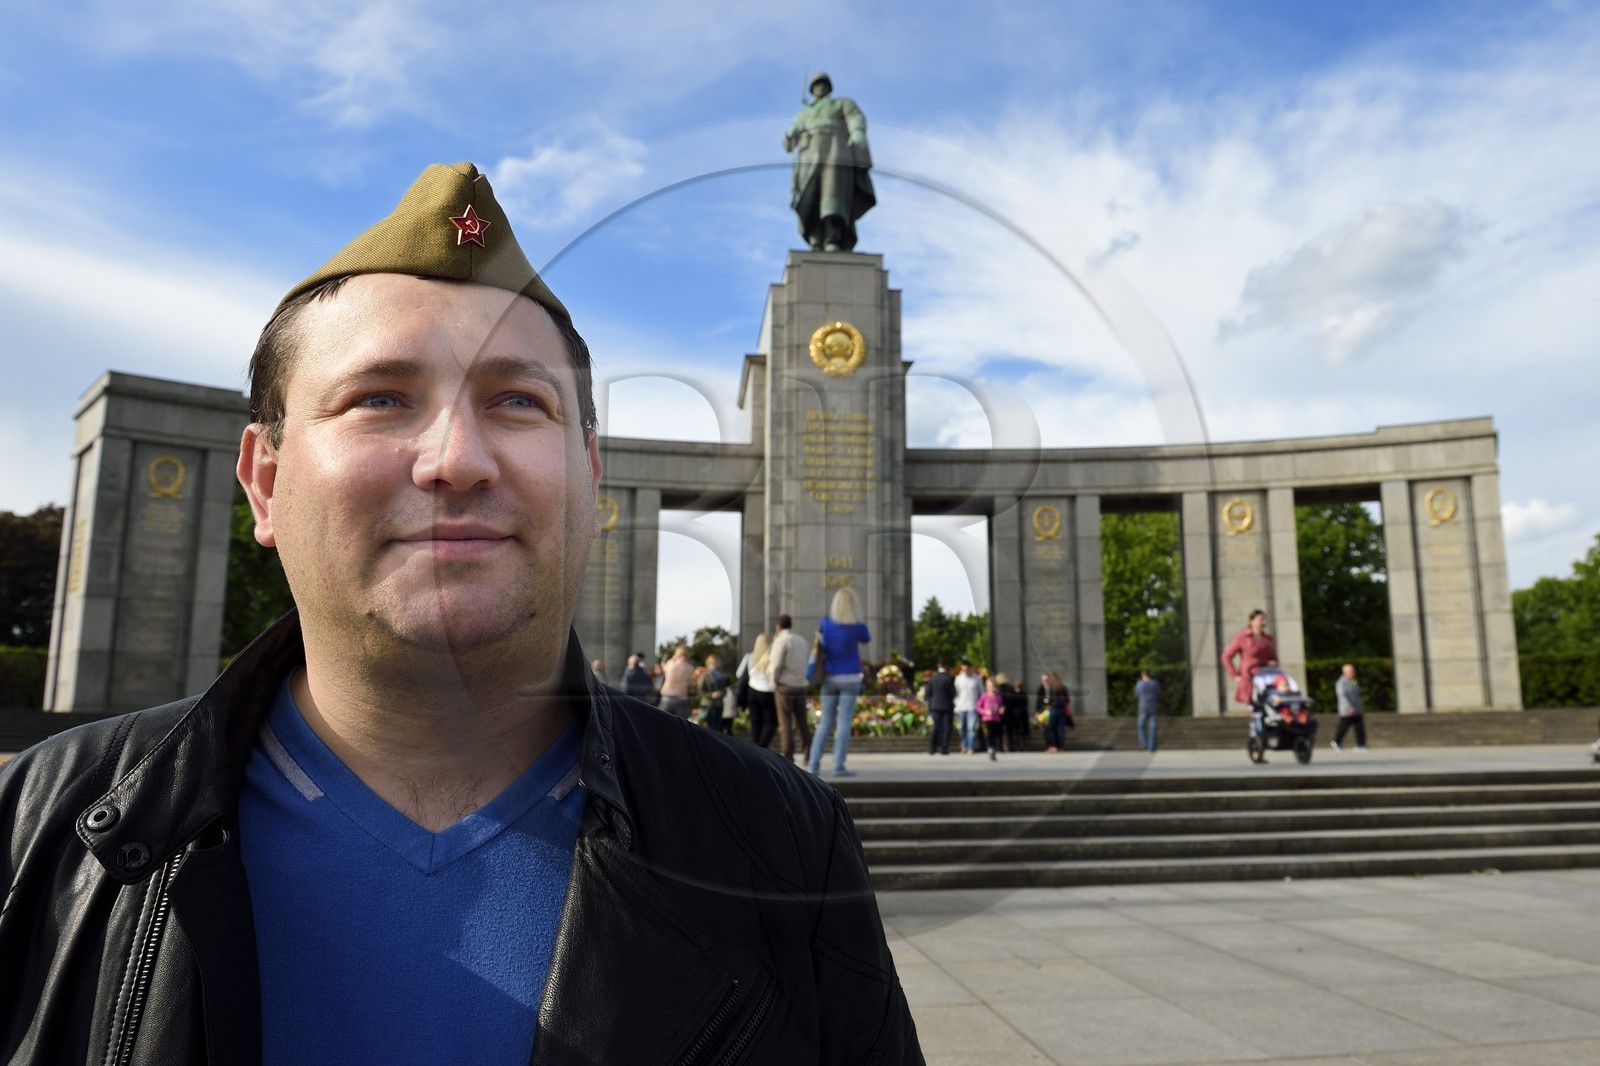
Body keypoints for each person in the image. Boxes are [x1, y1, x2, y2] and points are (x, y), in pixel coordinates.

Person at [0, 162, 921, 1065]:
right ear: (266, 481)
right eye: (380, 398)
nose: (456, 459)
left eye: (518, 401)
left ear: (591, 480)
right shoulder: (34, 829)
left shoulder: (783, 842)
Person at [783, 72, 876, 252]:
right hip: (808, 155)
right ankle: (815, 239)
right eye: (816, 84)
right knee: (811, 198)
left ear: (829, 87)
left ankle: (833, 238)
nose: (820, 86)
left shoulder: (841, 103)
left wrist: (856, 131)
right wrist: (790, 133)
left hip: (835, 150)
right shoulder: (804, 113)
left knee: (834, 197)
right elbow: (788, 143)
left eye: (823, 83)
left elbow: (855, 116)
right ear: (811, 89)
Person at [808, 586, 871, 777]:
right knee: (843, 723)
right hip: (850, 678)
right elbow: (867, 638)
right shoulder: (856, 627)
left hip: (829, 677)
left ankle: (813, 766)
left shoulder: (825, 624)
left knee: (825, 722)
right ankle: (838, 766)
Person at [768, 612, 814, 763]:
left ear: (778, 626)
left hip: (785, 686)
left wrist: (773, 681)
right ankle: (808, 752)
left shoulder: (781, 640)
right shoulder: (801, 640)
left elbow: (775, 664)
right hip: (801, 685)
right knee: (802, 721)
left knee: (785, 722)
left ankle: (788, 756)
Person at [1221, 608, 1278, 715]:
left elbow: (1274, 657)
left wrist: (1273, 662)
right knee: (1254, 708)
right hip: (1250, 678)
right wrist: (1235, 676)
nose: (1264, 622)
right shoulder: (1242, 637)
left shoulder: (1268, 639)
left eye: (1265, 620)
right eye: (1261, 619)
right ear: (1251, 621)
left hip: (1267, 677)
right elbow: (1226, 656)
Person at [736, 633, 778, 748]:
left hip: (752, 691)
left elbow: (739, 673)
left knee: (756, 721)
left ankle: (756, 748)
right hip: (768, 692)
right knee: (770, 722)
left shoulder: (749, 656)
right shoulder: (772, 657)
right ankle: (762, 746)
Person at [1332, 662, 1368, 750]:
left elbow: (1357, 694)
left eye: (1353, 671)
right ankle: (1337, 742)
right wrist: (1350, 707)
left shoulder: (1353, 681)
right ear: (1345, 672)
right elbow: (1342, 696)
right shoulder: (1341, 682)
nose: (1353, 672)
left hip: (1356, 708)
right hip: (1347, 709)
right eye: (1351, 671)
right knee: (1343, 727)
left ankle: (1361, 744)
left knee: (1359, 727)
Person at [924, 661, 956, 755]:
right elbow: (953, 693)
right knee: (947, 727)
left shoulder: (933, 678)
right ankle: (944, 747)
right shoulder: (949, 678)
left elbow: (928, 692)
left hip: (935, 706)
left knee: (936, 727)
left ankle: (932, 747)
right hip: (947, 706)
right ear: (946, 666)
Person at [658, 643, 695, 720]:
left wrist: (674, 658)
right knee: (681, 725)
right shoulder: (690, 667)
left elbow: (663, 667)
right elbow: (690, 683)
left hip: (667, 697)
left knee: (663, 722)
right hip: (681, 698)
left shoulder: (670, 664)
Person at [953, 661, 983, 755]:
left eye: (967, 669)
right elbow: (954, 693)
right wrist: (955, 703)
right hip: (960, 707)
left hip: (972, 707)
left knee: (971, 729)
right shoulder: (958, 679)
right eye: (963, 669)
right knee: (962, 728)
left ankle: (970, 747)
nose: (965, 671)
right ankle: (964, 745)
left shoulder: (976, 679)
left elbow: (981, 693)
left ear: (970, 668)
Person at [696, 653, 730, 734]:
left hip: (719, 705)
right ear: (708, 664)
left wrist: (720, 693)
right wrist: (711, 695)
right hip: (709, 705)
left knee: (718, 728)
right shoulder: (705, 676)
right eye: (711, 663)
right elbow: (700, 690)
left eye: (715, 663)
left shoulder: (720, 676)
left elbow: (725, 690)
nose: (713, 665)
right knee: (711, 728)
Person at [1038, 672, 1071, 753]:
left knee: (1051, 729)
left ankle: (1053, 746)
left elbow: (1047, 700)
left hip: (1053, 709)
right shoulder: (1063, 687)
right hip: (1061, 710)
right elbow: (1067, 700)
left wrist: (1045, 703)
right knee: (1060, 729)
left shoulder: (1050, 688)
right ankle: (1061, 746)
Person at [994, 672, 1027, 752]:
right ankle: (1012, 746)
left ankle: (1001, 746)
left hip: (1001, 712)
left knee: (1001, 731)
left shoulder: (998, 690)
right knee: (1010, 731)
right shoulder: (1011, 688)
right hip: (1010, 712)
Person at [976, 678, 1005, 762]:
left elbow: (1000, 706)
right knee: (989, 734)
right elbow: (978, 707)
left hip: (996, 718)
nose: (993, 688)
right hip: (987, 719)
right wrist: (985, 712)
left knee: (995, 735)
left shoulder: (998, 697)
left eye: (994, 686)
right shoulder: (984, 696)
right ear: (987, 687)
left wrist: (1001, 710)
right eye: (991, 686)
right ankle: (990, 748)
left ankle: (994, 749)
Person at [1135, 669, 1162, 753]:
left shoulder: (1139, 684)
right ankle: (1151, 747)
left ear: (1143, 675)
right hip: (1153, 706)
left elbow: (1136, 694)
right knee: (1153, 727)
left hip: (1143, 706)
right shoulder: (1155, 683)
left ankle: (1144, 744)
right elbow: (1158, 693)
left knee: (1141, 726)